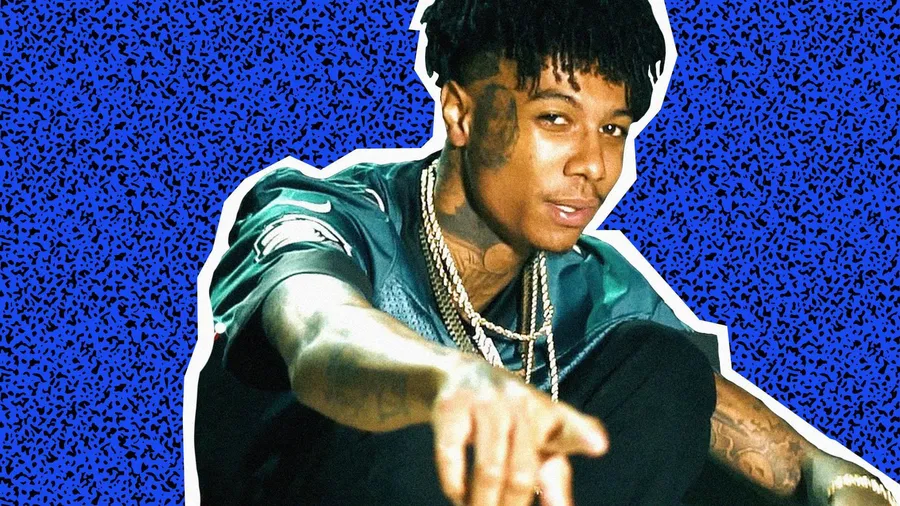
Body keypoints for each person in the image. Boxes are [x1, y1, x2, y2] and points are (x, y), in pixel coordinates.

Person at [195, 0, 898, 505]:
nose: (594, 165)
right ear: (461, 111)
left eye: (614, 129)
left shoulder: (591, 284)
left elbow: (790, 460)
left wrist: (852, 488)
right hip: (319, 481)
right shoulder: (326, 213)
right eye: (556, 118)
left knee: (664, 374)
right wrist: (451, 382)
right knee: (415, 426)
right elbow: (322, 334)